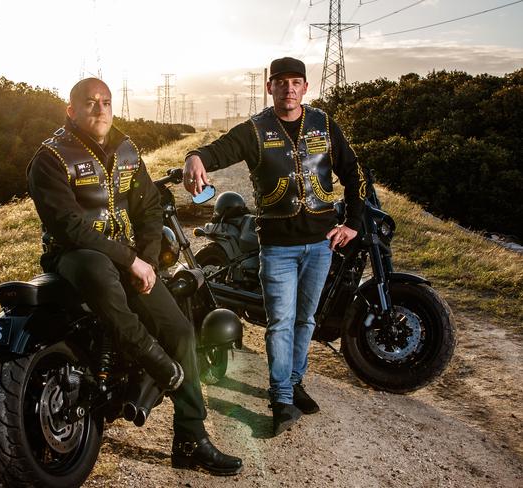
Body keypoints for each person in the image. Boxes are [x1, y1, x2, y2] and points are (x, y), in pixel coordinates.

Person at [27, 77, 243, 475]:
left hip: (126, 259)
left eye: (106, 102)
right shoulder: (51, 157)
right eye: (90, 103)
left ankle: (191, 440)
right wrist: (131, 262)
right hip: (74, 256)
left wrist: (146, 261)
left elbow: (149, 210)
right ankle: (155, 361)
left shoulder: (127, 150)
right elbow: (70, 226)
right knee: (96, 268)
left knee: (179, 330)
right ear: (71, 110)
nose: (100, 109)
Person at [184, 57, 365, 436]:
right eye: (281, 82)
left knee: (306, 320)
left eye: (295, 82)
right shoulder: (255, 129)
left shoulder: (325, 125)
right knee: (281, 322)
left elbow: (355, 173)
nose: (289, 89)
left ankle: (295, 382)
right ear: (270, 87)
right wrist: (195, 157)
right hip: (278, 248)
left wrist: (352, 224)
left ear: (305, 87)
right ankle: (281, 397)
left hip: (320, 244)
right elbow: (218, 149)